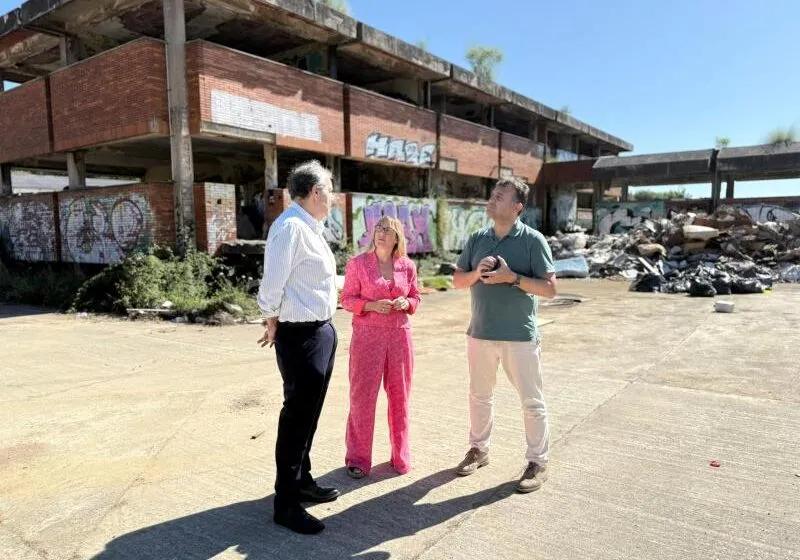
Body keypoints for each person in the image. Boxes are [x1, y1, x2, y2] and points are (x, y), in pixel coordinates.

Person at [452, 177, 557, 493]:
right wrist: (476, 272)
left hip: (519, 336)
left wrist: (512, 277)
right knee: (479, 396)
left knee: (531, 402)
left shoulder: (533, 240)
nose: (493, 198)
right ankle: (478, 449)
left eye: (501, 196)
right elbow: (458, 280)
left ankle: (538, 461)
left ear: (517, 207)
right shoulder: (477, 238)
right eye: (493, 194)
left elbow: (550, 289)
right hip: (480, 333)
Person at [256, 160, 339, 535]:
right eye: (330, 190)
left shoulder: (310, 228)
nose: (333, 197)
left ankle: (302, 481)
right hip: (300, 336)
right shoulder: (290, 228)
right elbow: (272, 283)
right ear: (316, 192)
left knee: (310, 415)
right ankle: (286, 504)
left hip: (320, 331)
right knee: (296, 418)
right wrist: (271, 317)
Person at [340, 216, 421, 479]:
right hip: (367, 338)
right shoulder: (358, 264)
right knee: (362, 398)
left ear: (397, 237)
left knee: (400, 398)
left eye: (387, 229)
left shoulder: (407, 266)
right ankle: (358, 458)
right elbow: (346, 299)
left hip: (399, 337)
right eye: (378, 228)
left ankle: (400, 456)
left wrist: (406, 303)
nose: (381, 232)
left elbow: (415, 296)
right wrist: (371, 305)